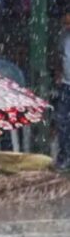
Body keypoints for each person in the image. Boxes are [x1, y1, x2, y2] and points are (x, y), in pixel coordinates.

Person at [55, 11, 70, 172]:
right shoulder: (64, 37)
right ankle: (64, 156)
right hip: (66, 84)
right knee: (62, 121)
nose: (66, 27)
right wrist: (58, 73)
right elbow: (59, 56)